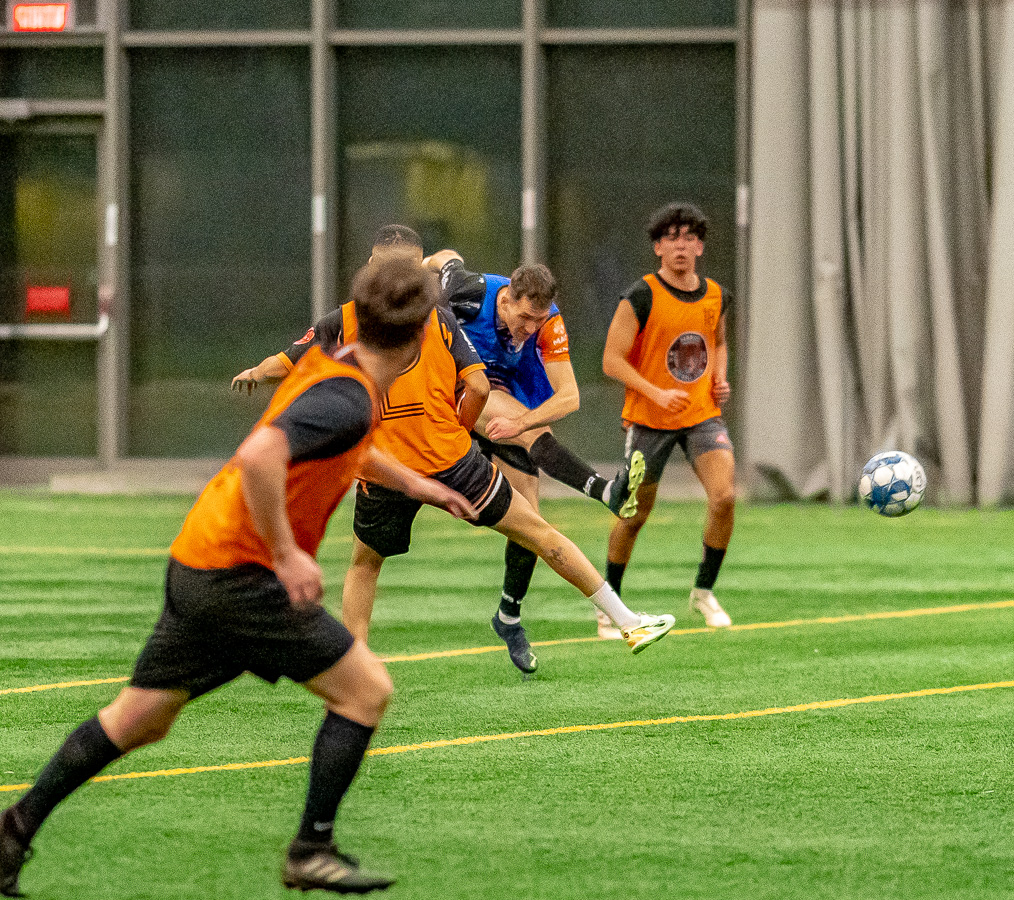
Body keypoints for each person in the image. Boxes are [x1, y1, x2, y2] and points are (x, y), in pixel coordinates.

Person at [1, 258, 477, 897]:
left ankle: (13, 830)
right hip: (240, 576)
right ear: (426, 334)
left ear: (357, 313)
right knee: (366, 691)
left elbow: (344, 446)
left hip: (200, 557)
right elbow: (261, 455)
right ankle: (312, 849)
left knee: (139, 718)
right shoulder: (347, 396)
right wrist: (286, 553)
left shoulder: (333, 369)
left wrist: (423, 485)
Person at [234, 227, 673, 676]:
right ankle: (627, 621)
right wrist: (459, 429)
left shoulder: (343, 321)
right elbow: (479, 384)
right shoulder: (438, 316)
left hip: (386, 467)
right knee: (540, 533)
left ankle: (355, 661)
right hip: (451, 459)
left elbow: (285, 363)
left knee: (365, 565)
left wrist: (254, 372)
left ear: (371, 266)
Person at [420, 251, 646, 657]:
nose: (529, 329)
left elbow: (570, 397)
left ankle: (508, 615)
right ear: (505, 299)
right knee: (525, 424)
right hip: (453, 399)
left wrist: (520, 425)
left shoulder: (548, 323)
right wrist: (417, 268)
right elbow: (446, 257)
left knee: (530, 523)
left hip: (501, 408)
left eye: (537, 321)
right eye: (523, 318)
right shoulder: (469, 291)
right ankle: (606, 491)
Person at [597, 202, 737, 638]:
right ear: (658, 247)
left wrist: (719, 377)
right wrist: (656, 391)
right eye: (671, 237)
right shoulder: (640, 296)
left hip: (701, 415)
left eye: (689, 237)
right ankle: (610, 603)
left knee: (725, 498)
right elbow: (611, 360)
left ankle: (704, 591)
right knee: (634, 513)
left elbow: (718, 342)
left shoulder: (716, 295)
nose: (681, 245)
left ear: (700, 247)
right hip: (649, 419)